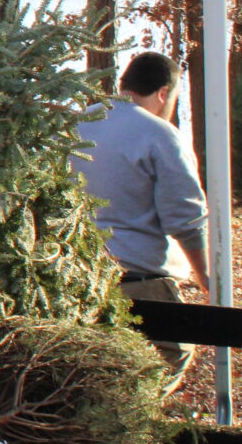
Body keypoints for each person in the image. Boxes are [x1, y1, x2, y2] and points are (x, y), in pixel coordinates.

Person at [72, 50, 209, 388]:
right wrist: (208, 277)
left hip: (77, 275)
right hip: (142, 281)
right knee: (168, 359)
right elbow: (185, 221)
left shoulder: (78, 123)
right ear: (164, 93)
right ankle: (121, 434)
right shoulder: (160, 135)